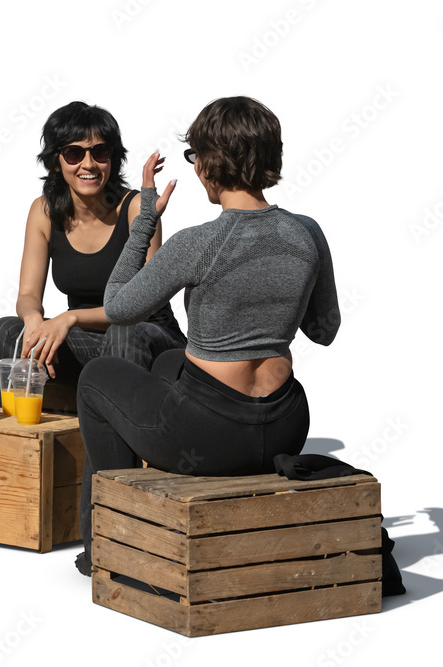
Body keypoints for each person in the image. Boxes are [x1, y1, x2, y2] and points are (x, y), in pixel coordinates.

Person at [74, 97, 340, 574]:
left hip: (207, 435)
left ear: (208, 165)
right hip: (284, 427)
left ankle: (104, 545)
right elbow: (324, 332)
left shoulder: (196, 243)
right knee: (166, 364)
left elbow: (117, 307)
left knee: (96, 377)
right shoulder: (308, 233)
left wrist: (145, 220)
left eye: (195, 157)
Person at [0, 101, 185, 410]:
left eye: (100, 153)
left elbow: (141, 305)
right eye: (74, 154)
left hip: (148, 337)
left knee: (124, 332)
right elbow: (27, 293)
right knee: (5, 332)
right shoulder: (43, 210)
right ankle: (6, 440)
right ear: (56, 160)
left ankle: (125, 452)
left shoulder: (136, 209)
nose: (88, 165)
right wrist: (34, 320)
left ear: (113, 159)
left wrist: (69, 317)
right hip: (87, 341)